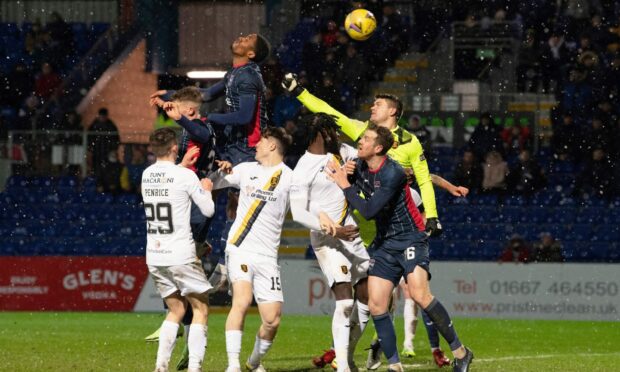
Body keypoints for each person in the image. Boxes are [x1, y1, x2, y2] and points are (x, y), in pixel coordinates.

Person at [326, 125, 473, 372]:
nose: (360, 141)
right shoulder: (359, 165)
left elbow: (369, 211)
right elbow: (348, 182)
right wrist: (345, 175)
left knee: (419, 295)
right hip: (384, 243)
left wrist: (344, 184)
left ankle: (461, 352)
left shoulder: (393, 172)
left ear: (379, 148)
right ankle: (395, 365)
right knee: (377, 305)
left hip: (410, 238)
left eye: (366, 139)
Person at [282, 73, 443, 238]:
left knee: (412, 199)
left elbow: (424, 180)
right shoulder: (361, 129)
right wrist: (299, 92)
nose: (372, 107)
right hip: (365, 209)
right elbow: (328, 112)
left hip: (394, 213)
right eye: (372, 104)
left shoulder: (410, 141)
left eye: (378, 105)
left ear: (392, 111)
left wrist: (432, 216)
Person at [289, 114, 370, 371]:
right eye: (333, 132)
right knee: (346, 302)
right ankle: (344, 366)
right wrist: (332, 230)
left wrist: (354, 172)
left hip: (352, 236)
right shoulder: (303, 168)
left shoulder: (343, 152)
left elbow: (366, 165)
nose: (338, 136)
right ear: (321, 135)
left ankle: (344, 355)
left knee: (370, 300)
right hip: (328, 240)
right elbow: (298, 212)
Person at [210, 127, 293, 372]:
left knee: (272, 319)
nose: (255, 144)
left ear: (272, 146)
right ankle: (232, 365)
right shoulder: (246, 169)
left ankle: (253, 363)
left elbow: (305, 203)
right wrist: (219, 172)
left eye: (261, 141)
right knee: (242, 301)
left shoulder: (289, 177)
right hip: (240, 248)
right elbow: (210, 184)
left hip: (268, 255)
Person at [142, 128, 215, 372]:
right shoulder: (186, 177)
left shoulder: (146, 174)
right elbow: (207, 211)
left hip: (155, 254)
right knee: (200, 308)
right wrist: (206, 189)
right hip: (181, 253)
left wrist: (182, 167)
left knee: (175, 309)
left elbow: (167, 181)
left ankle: (160, 367)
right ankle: (195, 367)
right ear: (175, 148)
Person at [88, 107, 120, 189]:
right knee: (98, 170)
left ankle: (108, 187)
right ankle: (100, 186)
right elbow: (89, 139)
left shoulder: (110, 126)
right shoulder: (94, 126)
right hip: (97, 153)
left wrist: (113, 150)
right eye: (101, 116)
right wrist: (91, 149)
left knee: (109, 170)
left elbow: (116, 139)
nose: (102, 118)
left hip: (107, 153)